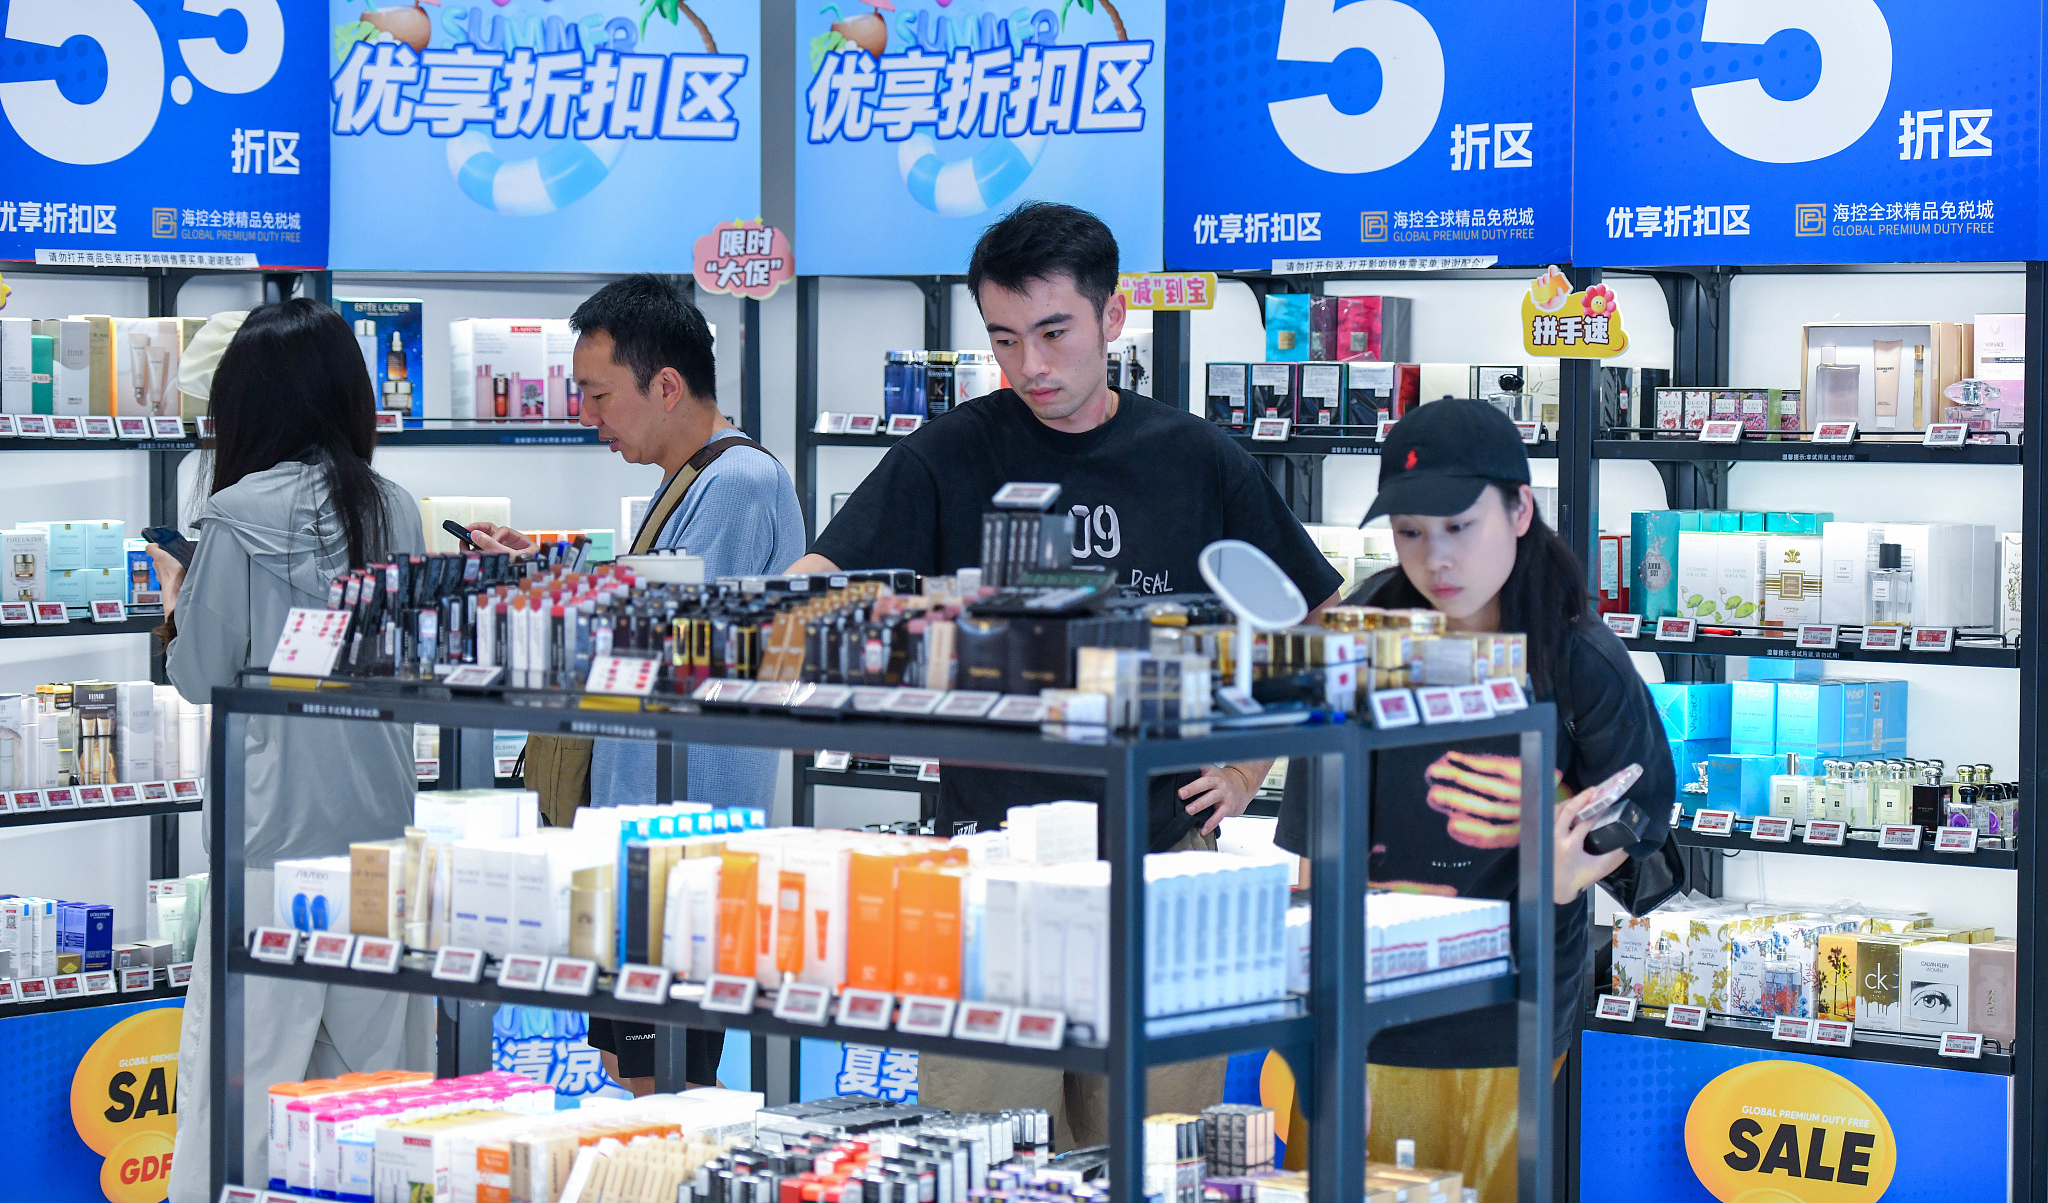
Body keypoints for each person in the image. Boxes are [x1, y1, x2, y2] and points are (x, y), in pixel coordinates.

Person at [789, 202, 1343, 1149]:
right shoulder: (946, 455)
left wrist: (1249, 766)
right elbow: (810, 593)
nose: (1030, 366)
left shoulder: (1196, 458)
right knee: (979, 1153)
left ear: (1112, 316)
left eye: (1054, 333)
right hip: (994, 872)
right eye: (1004, 339)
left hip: (1163, 864)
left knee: (1155, 1152)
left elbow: (1318, 620)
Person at [1276, 397, 1675, 1203]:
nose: (1436, 558)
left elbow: (1642, 810)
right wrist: (1321, 1023)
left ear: (1520, 509)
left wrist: (1573, 866)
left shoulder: (1576, 654)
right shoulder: (1360, 638)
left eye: (1459, 525)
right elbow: (1321, 837)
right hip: (1365, 998)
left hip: (1506, 1005)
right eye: (1411, 532)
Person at [466, 273, 805, 1093]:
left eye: (598, 394)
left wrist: (557, 600)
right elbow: (649, 611)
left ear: (667, 386)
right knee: (631, 1070)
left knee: (668, 1086)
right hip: (642, 835)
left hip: (683, 849)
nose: (589, 416)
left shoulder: (737, 482)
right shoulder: (687, 480)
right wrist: (549, 578)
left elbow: (671, 647)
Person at [155, 301, 433, 1203]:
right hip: (380, 851)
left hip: (268, 849)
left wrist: (178, 604)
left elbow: (203, 675)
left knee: (240, 1104)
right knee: (374, 1103)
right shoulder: (396, 511)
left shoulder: (233, 517)